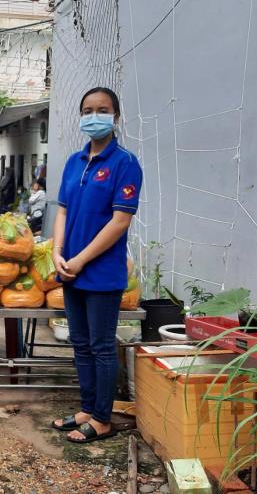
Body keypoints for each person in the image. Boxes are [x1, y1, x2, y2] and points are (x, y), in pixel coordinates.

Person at [51, 87, 142, 444]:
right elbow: (63, 210)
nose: (93, 116)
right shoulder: (75, 162)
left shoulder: (125, 163)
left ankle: (103, 419)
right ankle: (87, 409)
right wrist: (57, 252)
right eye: (87, 110)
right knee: (80, 342)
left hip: (101, 273)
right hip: (68, 268)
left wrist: (80, 258)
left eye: (102, 109)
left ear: (115, 116)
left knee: (102, 346)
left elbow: (120, 221)